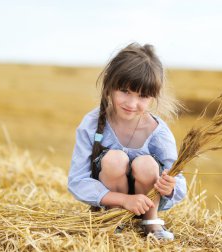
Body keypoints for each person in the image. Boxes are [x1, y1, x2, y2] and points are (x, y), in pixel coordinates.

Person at [68, 42, 186, 240]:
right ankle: (114, 220)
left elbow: (179, 181)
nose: (132, 104)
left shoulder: (159, 133)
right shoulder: (91, 124)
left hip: (147, 204)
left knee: (147, 164)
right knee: (114, 159)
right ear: (109, 85)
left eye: (143, 96)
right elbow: (77, 181)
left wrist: (170, 187)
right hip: (111, 199)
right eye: (124, 91)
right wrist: (123, 200)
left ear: (153, 97)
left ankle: (151, 223)